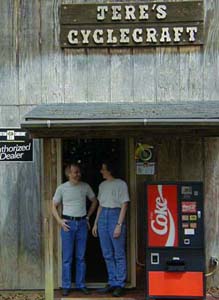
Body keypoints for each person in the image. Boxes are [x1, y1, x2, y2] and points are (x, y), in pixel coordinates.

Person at [52, 162, 97, 297]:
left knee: (81, 257)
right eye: (75, 172)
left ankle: (81, 284)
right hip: (68, 224)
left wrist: (88, 217)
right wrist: (59, 221)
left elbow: (94, 201)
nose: (78, 174)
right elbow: (53, 205)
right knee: (67, 257)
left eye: (78, 172)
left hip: (82, 223)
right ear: (68, 173)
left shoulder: (85, 186)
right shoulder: (62, 188)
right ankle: (66, 285)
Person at [92, 161, 130, 297]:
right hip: (103, 216)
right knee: (107, 252)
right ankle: (112, 281)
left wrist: (119, 225)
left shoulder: (121, 184)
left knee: (118, 252)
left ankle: (120, 284)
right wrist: (96, 223)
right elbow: (100, 205)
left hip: (115, 214)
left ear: (110, 170)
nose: (101, 171)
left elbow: (124, 205)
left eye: (103, 169)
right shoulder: (102, 185)